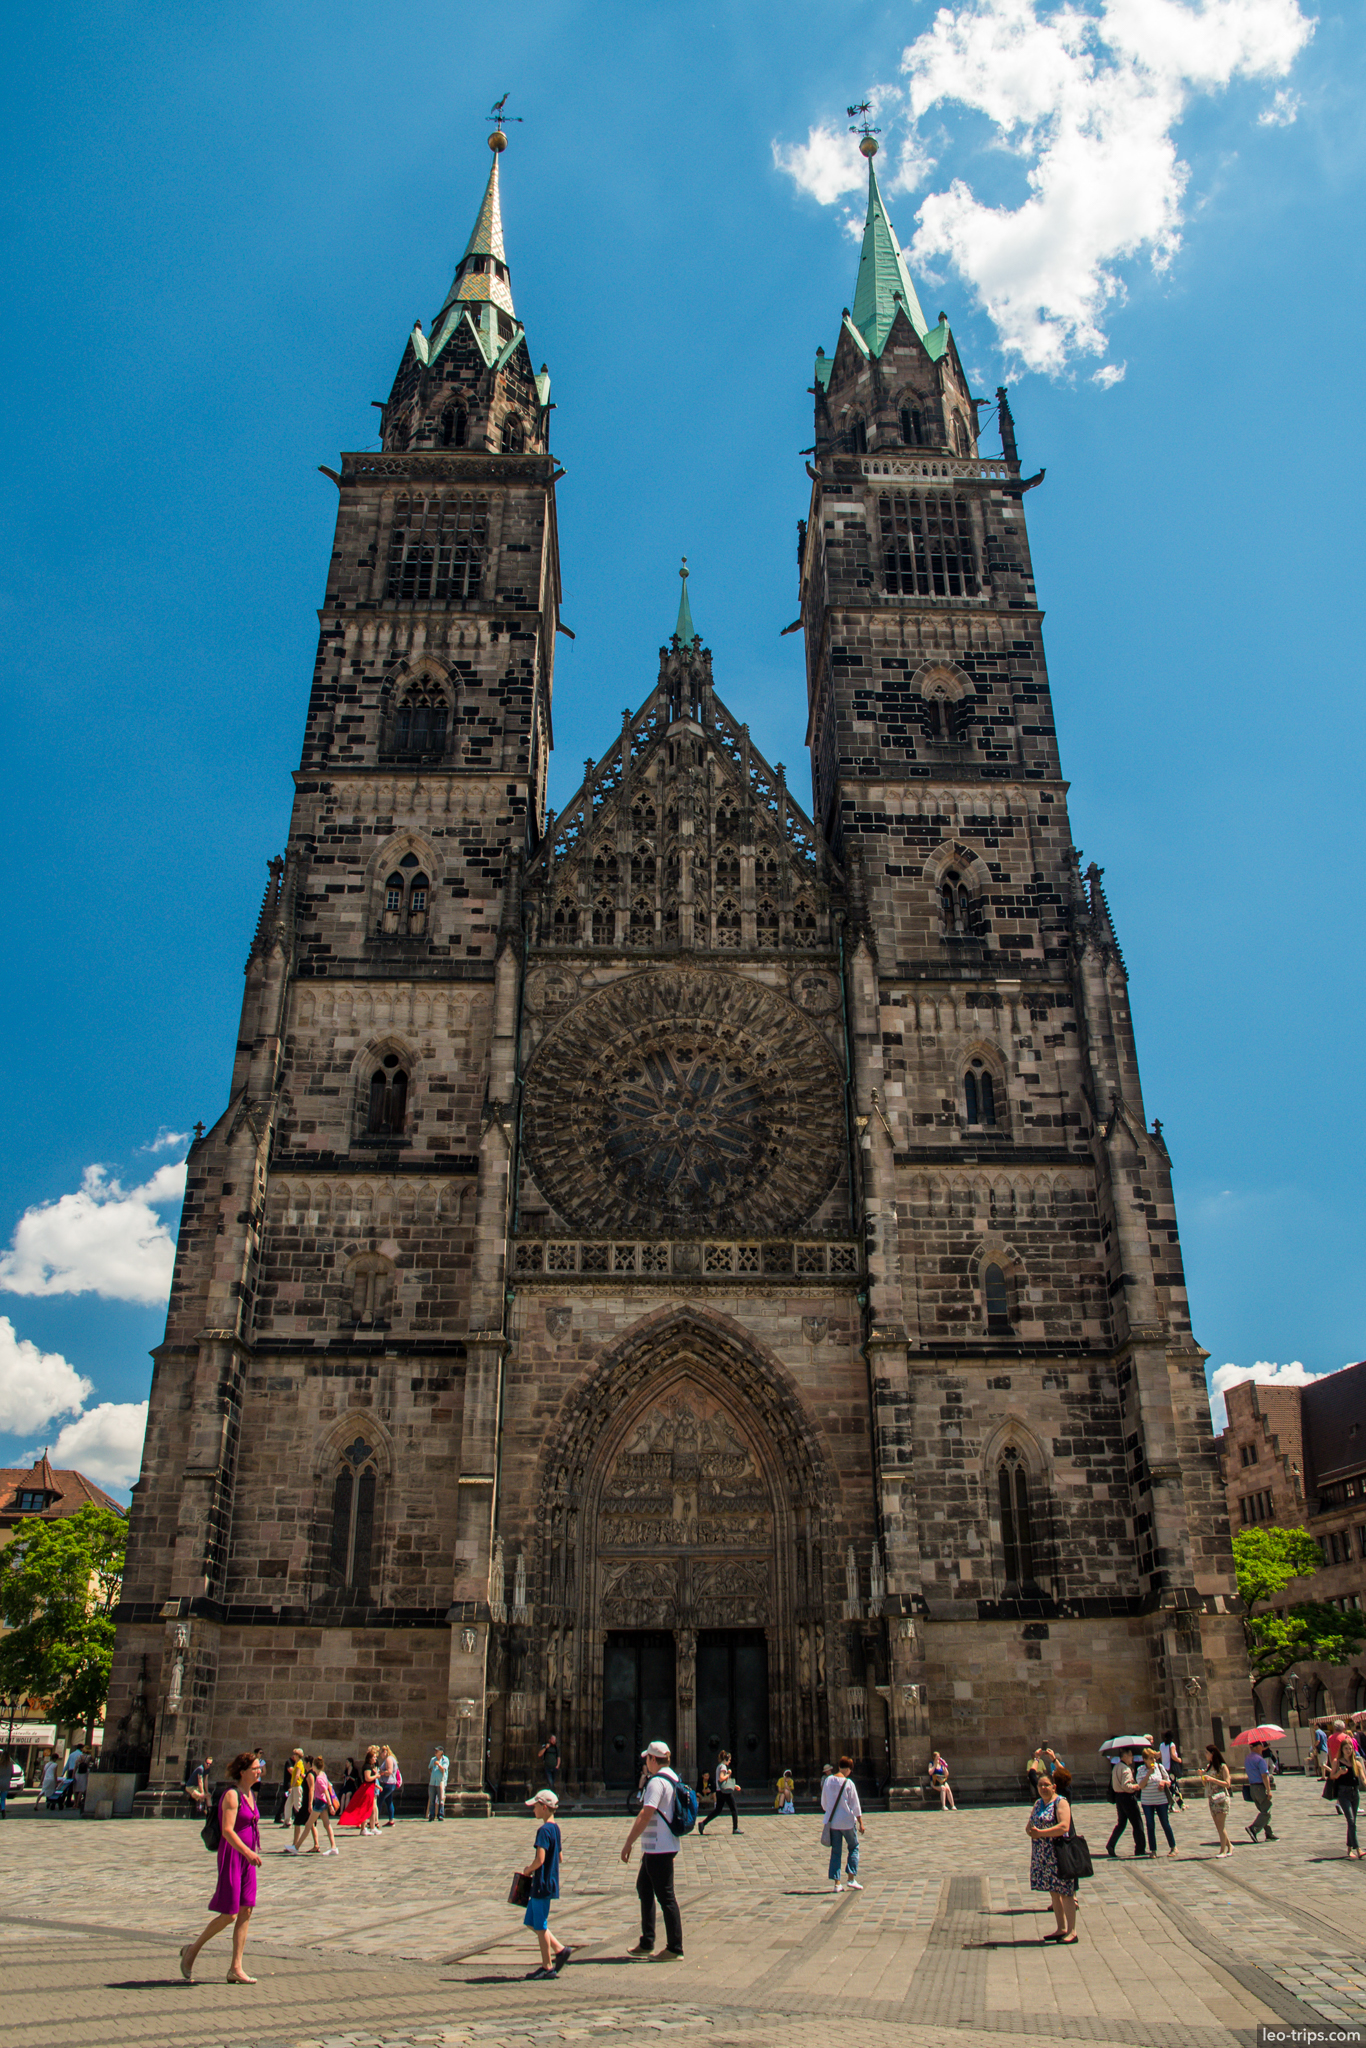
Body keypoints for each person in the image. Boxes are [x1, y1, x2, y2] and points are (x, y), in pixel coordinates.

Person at [179, 1750, 264, 1985]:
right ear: (243, 1771)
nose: (260, 1771)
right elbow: (227, 1830)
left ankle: (236, 1967)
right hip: (233, 1857)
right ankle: (192, 1951)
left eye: (260, 1767)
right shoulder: (232, 1796)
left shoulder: (250, 1795)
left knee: (246, 1910)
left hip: (248, 1860)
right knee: (230, 1913)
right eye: (256, 1767)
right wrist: (247, 1852)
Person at [620, 1739, 684, 1960]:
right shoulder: (673, 1777)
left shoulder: (657, 1782)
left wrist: (628, 1842)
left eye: (646, 1758)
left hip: (660, 1846)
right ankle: (647, 1940)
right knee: (644, 1889)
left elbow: (646, 1813)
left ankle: (675, 1948)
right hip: (659, 1845)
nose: (645, 1763)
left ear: (653, 1759)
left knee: (666, 1896)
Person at [521, 1789, 571, 1978]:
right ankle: (559, 1949)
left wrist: (528, 1869)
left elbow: (540, 1859)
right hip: (549, 1882)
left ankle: (547, 1966)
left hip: (541, 1883)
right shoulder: (555, 1828)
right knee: (531, 1922)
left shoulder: (543, 1831)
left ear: (543, 1807)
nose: (533, 1810)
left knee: (540, 1925)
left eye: (535, 1806)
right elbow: (559, 1856)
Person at [1027, 1768, 1078, 1943]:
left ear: (1054, 1787)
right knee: (1054, 1892)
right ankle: (1060, 1928)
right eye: (1040, 1785)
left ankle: (1072, 1931)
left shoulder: (1061, 1803)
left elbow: (1064, 1826)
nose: (1042, 1788)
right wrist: (1031, 1831)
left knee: (1066, 1892)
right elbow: (1030, 1825)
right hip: (1043, 1854)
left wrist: (1041, 1833)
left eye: (1046, 1785)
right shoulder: (1038, 1804)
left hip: (1059, 1853)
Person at [822, 1755, 865, 1893]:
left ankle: (837, 1883)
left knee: (836, 1852)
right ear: (848, 1769)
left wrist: (830, 1812)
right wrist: (861, 1823)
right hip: (847, 1822)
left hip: (833, 1822)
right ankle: (851, 1878)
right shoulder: (849, 1783)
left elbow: (824, 1803)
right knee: (854, 1847)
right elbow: (856, 1805)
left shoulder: (828, 1781)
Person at [1326, 1728, 1362, 1859]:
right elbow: (1332, 1776)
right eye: (1347, 1748)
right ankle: (1358, 1848)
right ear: (1342, 1749)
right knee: (1351, 1821)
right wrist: (1339, 1773)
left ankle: (1349, 1848)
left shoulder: (1356, 1762)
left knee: (1352, 1822)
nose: (1349, 1750)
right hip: (1343, 1793)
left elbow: (1363, 1778)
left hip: (1355, 1793)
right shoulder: (1337, 1762)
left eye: (1351, 1748)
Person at [1104, 1747, 1147, 1857]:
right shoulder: (1125, 1769)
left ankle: (1111, 1844)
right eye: (1130, 1755)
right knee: (1137, 1823)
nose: (1132, 1757)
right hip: (1128, 1798)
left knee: (1121, 1823)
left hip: (1119, 1797)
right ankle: (1140, 1848)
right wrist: (1136, 1786)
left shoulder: (1116, 1767)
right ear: (1124, 1756)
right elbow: (1126, 1786)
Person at [1137, 1746, 1177, 1856]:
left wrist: (1163, 1783)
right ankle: (1153, 1850)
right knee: (1150, 1825)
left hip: (1161, 1801)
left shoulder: (1160, 1767)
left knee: (1165, 1823)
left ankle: (1173, 1847)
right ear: (1145, 1759)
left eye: (1154, 1758)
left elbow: (1168, 1781)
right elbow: (1141, 1785)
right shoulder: (1140, 1770)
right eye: (1150, 1758)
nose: (1153, 1760)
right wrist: (1149, 1773)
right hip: (1147, 1802)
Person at [337, 1745, 380, 1834]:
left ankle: (372, 1827)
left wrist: (377, 1785)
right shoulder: (367, 1766)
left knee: (371, 1809)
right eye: (374, 1757)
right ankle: (363, 1828)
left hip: (371, 1788)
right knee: (365, 1808)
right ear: (370, 1758)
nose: (376, 1759)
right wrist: (376, 1775)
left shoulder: (371, 1766)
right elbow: (367, 1778)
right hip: (367, 1789)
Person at [698, 1750, 740, 1835]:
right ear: (726, 1759)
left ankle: (702, 1823)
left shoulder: (719, 1766)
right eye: (729, 1760)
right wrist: (728, 1774)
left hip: (719, 1791)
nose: (730, 1761)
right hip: (725, 1792)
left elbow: (722, 1782)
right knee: (734, 1809)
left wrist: (734, 1786)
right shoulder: (723, 1767)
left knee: (717, 1810)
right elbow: (721, 1778)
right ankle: (735, 1828)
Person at [1201, 1744, 1233, 1856]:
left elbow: (1227, 1784)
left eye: (1207, 1753)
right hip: (1212, 1798)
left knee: (1221, 1825)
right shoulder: (1209, 1767)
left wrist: (1213, 1780)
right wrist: (1203, 1777)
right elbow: (1205, 1784)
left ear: (1212, 1754)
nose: (1205, 1755)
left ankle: (1223, 1850)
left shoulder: (1222, 1767)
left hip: (1221, 1798)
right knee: (1218, 1826)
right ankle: (1229, 1846)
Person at [285, 1755, 318, 1856]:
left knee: (298, 1822)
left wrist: (309, 1803)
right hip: (307, 1801)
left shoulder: (311, 1774)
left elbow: (312, 1788)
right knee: (311, 1824)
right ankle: (316, 1845)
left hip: (308, 1802)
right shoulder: (309, 1774)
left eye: (304, 1763)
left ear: (308, 1763)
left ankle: (295, 1845)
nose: (303, 1764)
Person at [1244, 1741, 1276, 1842]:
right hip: (1260, 1787)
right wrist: (1268, 1790)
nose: (1262, 1747)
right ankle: (1254, 1828)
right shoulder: (1259, 1759)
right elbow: (1264, 1775)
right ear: (1256, 1747)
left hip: (1252, 1788)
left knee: (1263, 1810)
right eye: (1261, 1745)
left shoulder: (1248, 1758)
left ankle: (1269, 1833)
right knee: (1266, 1810)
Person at [310, 1756, 340, 1854]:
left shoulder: (318, 1778)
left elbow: (326, 1791)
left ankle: (296, 1847)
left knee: (308, 1824)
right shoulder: (323, 1774)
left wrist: (331, 1806)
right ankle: (333, 1847)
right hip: (323, 1803)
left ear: (314, 1766)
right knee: (327, 1825)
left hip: (320, 1803)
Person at [273, 1750, 300, 1827]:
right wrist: (299, 1772)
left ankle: (280, 1816)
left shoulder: (296, 1763)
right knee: (286, 1800)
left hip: (292, 1785)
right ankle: (278, 1816)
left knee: (288, 1801)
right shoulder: (289, 1762)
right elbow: (291, 1770)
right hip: (288, 1785)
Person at [1159, 1731, 1185, 1809]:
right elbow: (1173, 1755)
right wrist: (1179, 1760)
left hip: (1165, 1768)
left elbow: (1160, 1755)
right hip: (1171, 1769)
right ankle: (1173, 1804)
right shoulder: (1171, 1745)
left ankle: (1180, 1804)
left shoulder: (1161, 1745)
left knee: (1172, 1787)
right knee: (1173, 1787)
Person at [377, 1744, 400, 1826]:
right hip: (391, 1783)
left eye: (381, 1753)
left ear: (385, 1752)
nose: (381, 1755)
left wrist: (381, 1773)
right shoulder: (391, 1758)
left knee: (379, 1800)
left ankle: (375, 1820)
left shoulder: (389, 1759)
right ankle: (391, 1820)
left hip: (388, 1783)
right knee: (389, 1801)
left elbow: (389, 1772)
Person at [427, 1745, 449, 1822]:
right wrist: (432, 1775)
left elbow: (443, 1770)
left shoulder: (445, 1760)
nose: (435, 1752)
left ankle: (441, 1815)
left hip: (440, 1782)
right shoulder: (433, 1759)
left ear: (441, 1752)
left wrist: (438, 1764)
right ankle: (431, 1815)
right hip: (433, 1782)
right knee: (432, 1799)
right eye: (435, 1750)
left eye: (437, 1751)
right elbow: (429, 1768)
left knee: (441, 1799)